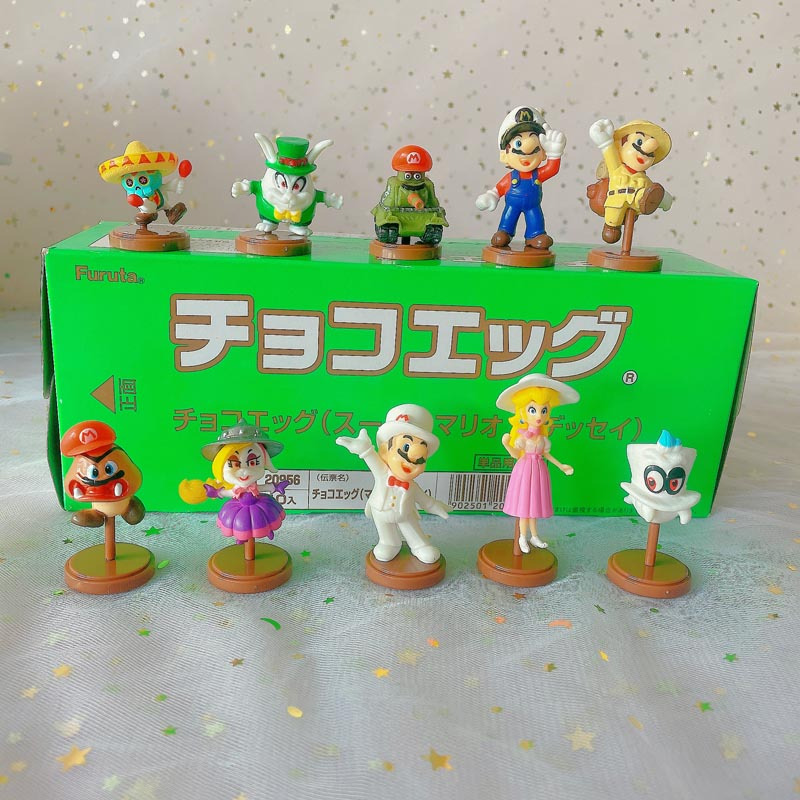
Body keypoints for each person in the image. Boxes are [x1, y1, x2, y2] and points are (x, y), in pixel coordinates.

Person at [336, 404, 451, 564]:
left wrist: (436, 506)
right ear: (384, 451)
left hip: (405, 513)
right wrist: (364, 449)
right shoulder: (382, 473)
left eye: (420, 460)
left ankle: (420, 545)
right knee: (386, 534)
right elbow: (370, 457)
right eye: (405, 448)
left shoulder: (412, 487)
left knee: (411, 528)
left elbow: (425, 500)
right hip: (379, 509)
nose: (411, 463)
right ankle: (389, 543)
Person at [495, 375, 579, 552]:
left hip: (539, 470)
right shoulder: (522, 437)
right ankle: (522, 538)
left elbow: (547, 454)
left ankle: (534, 536)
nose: (539, 416)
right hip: (524, 470)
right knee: (524, 508)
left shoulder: (542, 438)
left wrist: (561, 466)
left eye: (544, 410)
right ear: (522, 412)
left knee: (533, 506)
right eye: (533, 410)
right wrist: (506, 444)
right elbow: (516, 454)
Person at [179, 420, 287, 543]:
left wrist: (275, 487)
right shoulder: (236, 488)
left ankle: (267, 530)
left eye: (253, 462)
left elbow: (262, 488)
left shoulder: (253, 486)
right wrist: (216, 492)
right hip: (238, 508)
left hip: (259, 504)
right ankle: (241, 537)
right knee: (240, 522)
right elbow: (229, 492)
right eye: (234, 464)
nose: (244, 471)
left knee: (264, 517)